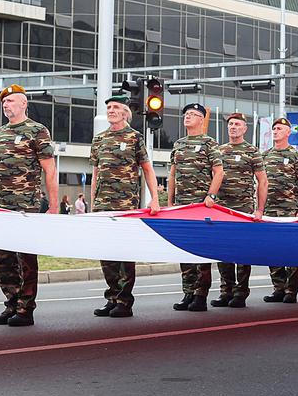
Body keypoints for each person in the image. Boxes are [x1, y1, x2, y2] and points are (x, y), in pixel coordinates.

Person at [0, 86, 57, 328]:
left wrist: (53, 205)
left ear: (24, 104)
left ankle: (26, 308)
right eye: (4, 102)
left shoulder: (37, 130)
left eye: (11, 101)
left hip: (26, 205)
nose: (6, 105)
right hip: (0, 206)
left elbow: (50, 170)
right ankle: (12, 303)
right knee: (3, 258)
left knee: (25, 257)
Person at [90, 95, 158, 317]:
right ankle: (112, 297)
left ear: (125, 112)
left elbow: (147, 169)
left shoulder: (134, 137)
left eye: (116, 107)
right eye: (109, 107)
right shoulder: (99, 139)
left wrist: (154, 199)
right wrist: (93, 204)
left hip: (126, 205)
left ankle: (124, 301)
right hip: (103, 205)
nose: (111, 110)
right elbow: (95, 174)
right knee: (106, 253)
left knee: (124, 252)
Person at [206, 112, 265, 306]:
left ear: (245, 128)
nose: (233, 127)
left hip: (243, 209)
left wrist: (259, 209)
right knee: (223, 251)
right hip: (221, 208)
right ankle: (226, 291)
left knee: (242, 250)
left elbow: (262, 181)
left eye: (237, 124)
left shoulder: (252, 151)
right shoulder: (219, 150)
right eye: (231, 124)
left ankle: (241, 293)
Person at [168, 103, 217, 312]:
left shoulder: (209, 143)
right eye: (186, 114)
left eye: (193, 114)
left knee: (200, 251)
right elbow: (172, 174)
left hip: (200, 206)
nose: (187, 117)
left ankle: (200, 295)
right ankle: (188, 292)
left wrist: (211, 195)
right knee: (184, 250)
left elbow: (219, 172)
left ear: (201, 119)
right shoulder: (178, 144)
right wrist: (170, 202)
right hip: (181, 207)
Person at [260, 116, 298, 302]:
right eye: (274, 128)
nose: (276, 131)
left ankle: (291, 291)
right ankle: (278, 287)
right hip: (270, 211)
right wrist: (259, 208)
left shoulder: (295, 155)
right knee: (273, 250)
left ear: (288, 132)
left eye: (279, 128)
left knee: (292, 250)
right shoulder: (265, 155)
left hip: (290, 210)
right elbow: (260, 184)